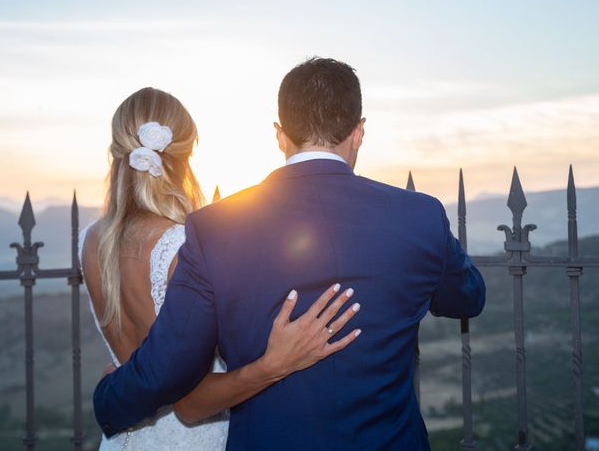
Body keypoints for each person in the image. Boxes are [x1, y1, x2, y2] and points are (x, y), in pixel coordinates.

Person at [93, 59, 486, 450]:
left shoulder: (214, 229)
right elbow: (467, 298)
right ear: (359, 132)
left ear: (280, 135)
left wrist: (107, 398)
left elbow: (168, 367)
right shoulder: (419, 216)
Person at [78, 87, 361, 450]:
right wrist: (274, 362)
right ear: (184, 155)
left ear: (115, 152)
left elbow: (140, 366)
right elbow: (190, 399)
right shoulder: (185, 246)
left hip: (120, 438)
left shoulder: (89, 240)